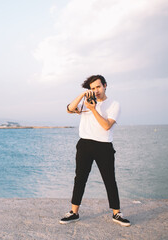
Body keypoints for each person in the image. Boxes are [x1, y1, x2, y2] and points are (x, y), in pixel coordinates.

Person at [60, 75, 131, 227]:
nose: (96, 91)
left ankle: (116, 213)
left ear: (105, 85)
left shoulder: (114, 104)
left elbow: (106, 126)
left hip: (104, 146)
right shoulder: (86, 102)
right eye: (92, 88)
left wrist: (93, 109)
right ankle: (74, 212)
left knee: (110, 180)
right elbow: (69, 109)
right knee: (80, 178)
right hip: (84, 144)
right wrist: (82, 96)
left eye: (98, 87)